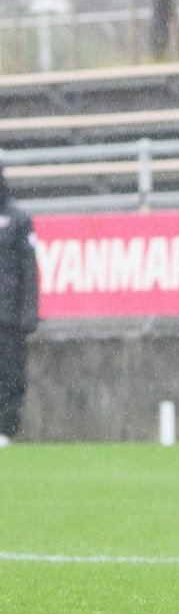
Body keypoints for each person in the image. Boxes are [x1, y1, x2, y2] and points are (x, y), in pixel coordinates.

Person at [0, 162, 40, 448]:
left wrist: (28, 312)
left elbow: (29, 269)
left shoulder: (18, 218)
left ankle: (5, 428)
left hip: (9, 316)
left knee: (11, 374)